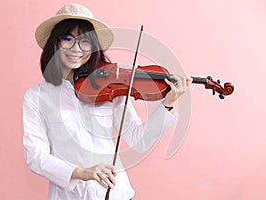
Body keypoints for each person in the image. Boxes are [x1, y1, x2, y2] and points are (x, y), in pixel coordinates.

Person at [22, 3, 192, 200]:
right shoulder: (36, 97)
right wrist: (82, 173)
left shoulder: (108, 88)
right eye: (68, 39)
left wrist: (168, 103)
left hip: (116, 194)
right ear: (55, 43)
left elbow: (139, 140)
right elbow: (36, 157)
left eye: (85, 42)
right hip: (69, 196)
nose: (76, 49)